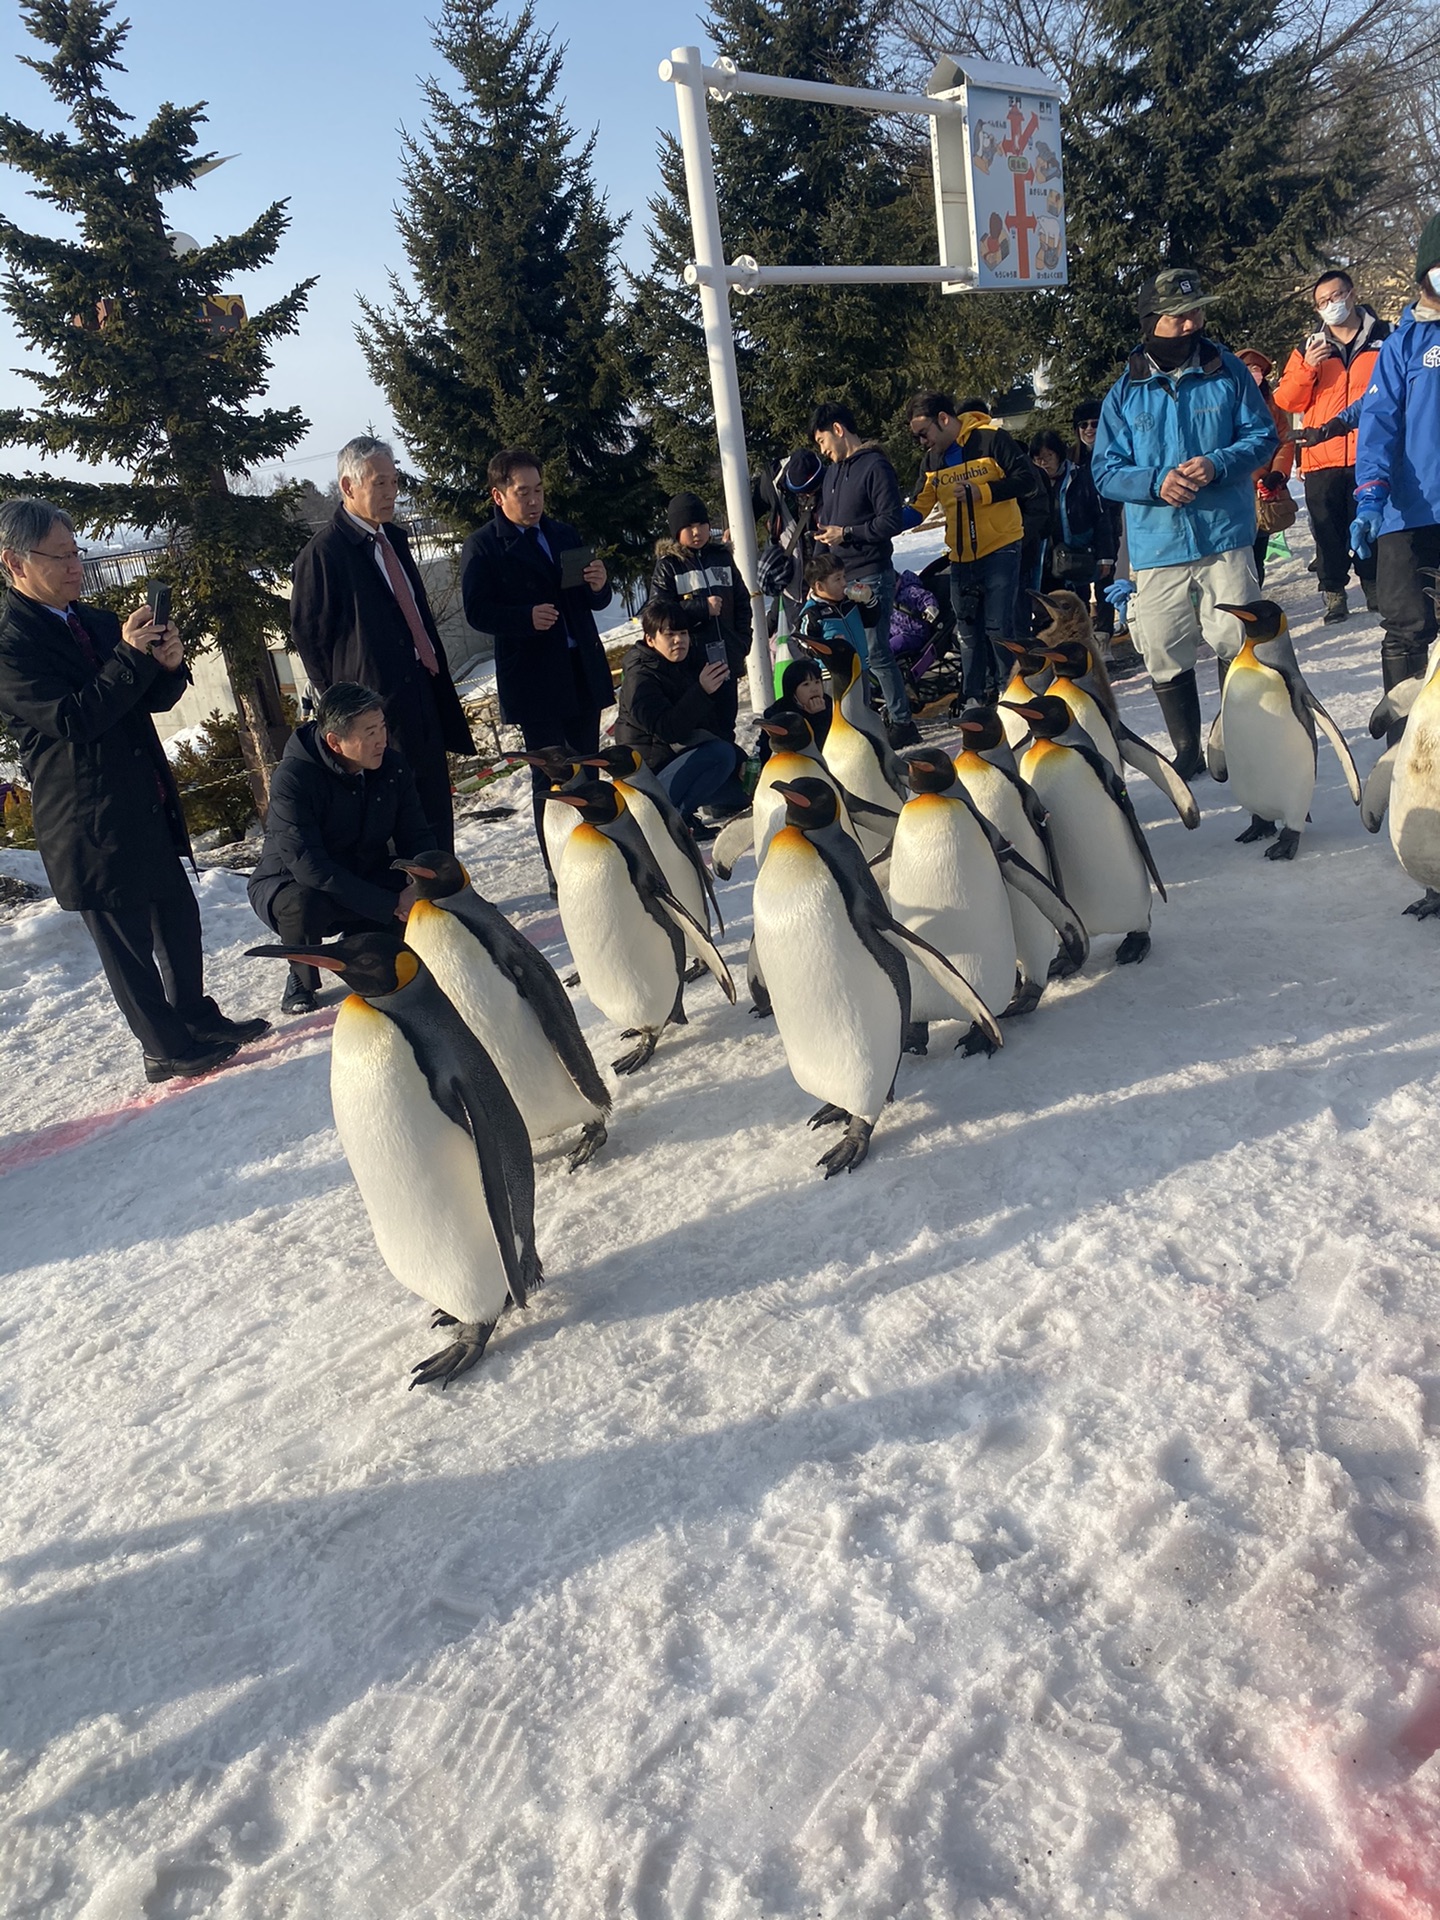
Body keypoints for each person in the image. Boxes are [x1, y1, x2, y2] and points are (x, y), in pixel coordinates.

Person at [0, 497, 269, 1081]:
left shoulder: (90, 619)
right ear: (15, 563)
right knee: (126, 944)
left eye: (78, 554)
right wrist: (127, 655)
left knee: (177, 916)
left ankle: (194, 1018)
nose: (76, 567)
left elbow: (146, 699)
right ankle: (163, 1046)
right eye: (60, 557)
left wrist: (167, 664)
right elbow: (73, 718)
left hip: (141, 797)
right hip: (85, 817)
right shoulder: (11, 643)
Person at [1092, 267, 1277, 777]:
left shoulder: (1229, 370)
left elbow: (1262, 437)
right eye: (1180, 317)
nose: (1193, 323)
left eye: (1198, 312)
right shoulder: (1124, 392)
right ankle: (1188, 751)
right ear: (1153, 321)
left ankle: (1236, 735)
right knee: (1163, 649)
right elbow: (1106, 471)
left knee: (1236, 641)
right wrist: (1155, 482)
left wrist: (1218, 463)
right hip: (1158, 546)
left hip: (1224, 536)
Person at [290, 437, 475, 851]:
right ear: (348, 487)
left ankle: (445, 903)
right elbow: (310, 640)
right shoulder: (324, 555)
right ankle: (408, 910)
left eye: (394, 482)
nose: (391, 492)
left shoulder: (394, 539)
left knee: (434, 813)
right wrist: (346, 707)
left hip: (422, 694)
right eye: (379, 483)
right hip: (374, 712)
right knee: (395, 824)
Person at [460, 448, 614, 883]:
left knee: (588, 762)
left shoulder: (563, 534)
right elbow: (477, 611)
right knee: (551, 772)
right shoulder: (484, 546)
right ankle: (559, 865)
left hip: (579, 664)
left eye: (539, 490)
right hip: (533, 676)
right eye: (522, 492)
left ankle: (599, 847)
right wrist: (523, 618)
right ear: (498, 496)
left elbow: (590, 600)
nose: (533, 501)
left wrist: (600, 586)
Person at [247, 682, 433, 1014]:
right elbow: (309, 865)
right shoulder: (294, 778)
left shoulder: (392, 767)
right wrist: (388, 903)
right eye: (370, 732)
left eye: (383, 728)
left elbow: (416, 834)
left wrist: (416, 883)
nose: (382, 740)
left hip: (362, 869)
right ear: (335, 741)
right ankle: (301, 977)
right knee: (303, 904)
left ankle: (371, 953)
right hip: (293, 882)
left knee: (403, 899)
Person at [1353, 213, 1440, 739]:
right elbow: (1379, 424)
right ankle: (1404, 748)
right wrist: (1370, 497)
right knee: (1407, 628)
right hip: (1407, 510)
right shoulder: (1403, 346)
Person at [1273, 270, 1391, 623]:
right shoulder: (1307, 347)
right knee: (1327, 529)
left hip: (1370, 450)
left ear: (1351, 294)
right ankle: (1334, 592)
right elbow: (1287, 400)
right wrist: (1308, 367)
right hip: (1320, 454)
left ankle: (1373, 585)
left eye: (1335, 297)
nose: (1330, 306)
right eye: (1322, 302)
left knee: (1372, 524)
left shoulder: (1385, 338)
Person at [905, 390, 1036, 702]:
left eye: (923, 434)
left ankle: (1014, 693)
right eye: (916, 438)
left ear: (944, 419)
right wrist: (872, 525)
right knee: (966, 633)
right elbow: (917, 510)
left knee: (997, 629)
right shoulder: (932, 460)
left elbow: (1028, 480)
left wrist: (984, 492)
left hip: (1001, 547)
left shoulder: (991, 439)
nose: (922, 442)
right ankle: (975, 698)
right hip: (961, 557)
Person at [809, 401, 918, 745]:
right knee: (848, 652)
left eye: (823, 441)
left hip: (869, 573)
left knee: (874, 649)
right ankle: (862, 719)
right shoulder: (831, 474)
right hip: (837, 578)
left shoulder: (875, 466)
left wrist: (848, 533)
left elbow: (891, 521)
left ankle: (901, 721)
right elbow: (828, 524)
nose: (823, 451)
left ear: (838, 430)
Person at [612, 599, 748, 825]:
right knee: (720, 754)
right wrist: (702, 691)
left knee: (744, 790)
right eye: (669, 635)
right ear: (650, 639)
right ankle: (676, 821)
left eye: (683, 633)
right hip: (647, 780)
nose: (679, 640)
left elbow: (710, 726)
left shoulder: (685, 664)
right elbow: (668, 730)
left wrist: (741, 761)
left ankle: (689, 810)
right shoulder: (640, 678)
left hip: (680, 764)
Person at [651, 491, 753, 744]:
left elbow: (742, 601)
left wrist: (742, 641)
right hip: (692, 664)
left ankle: (730, 775)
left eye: (701, 525)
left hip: (726, 657)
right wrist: (699, 608)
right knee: (702, 728)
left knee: (726, 723)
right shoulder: (669, 566)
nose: (696, 532)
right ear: (676, 531)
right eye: (688, 527)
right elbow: (658, 612)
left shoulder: (722, 557)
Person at [1029, 428, 1119, 605]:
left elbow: (1101, 519)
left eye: (1048, 456)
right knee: (1045, 609)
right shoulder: (1030, 484)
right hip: (1042, 558)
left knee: (1077, 608)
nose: (1044, 463)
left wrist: (1105, 557)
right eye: (1038, 458)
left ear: (1059, 455)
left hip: (1076, 556)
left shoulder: (1080, 478)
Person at [1234, 350, 1297, 592]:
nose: (1255, 374)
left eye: (1258, 369)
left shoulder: (1271, 404)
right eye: (1249, 369)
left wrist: (1278, 474)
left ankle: (1254, 598)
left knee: (1258, 550)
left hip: (1264, 491)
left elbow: (1285, 440)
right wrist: (1254, 475)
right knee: (1237, 553)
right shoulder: (1227, 401)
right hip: (1237, 487)